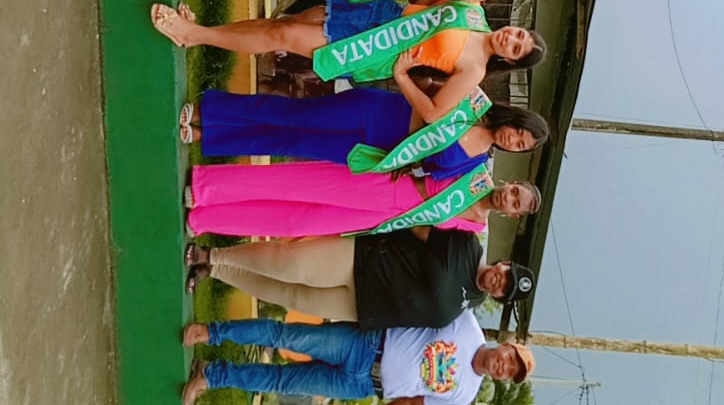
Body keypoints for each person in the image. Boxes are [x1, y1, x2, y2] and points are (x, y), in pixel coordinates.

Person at [181, 306, 537, 405]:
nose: (505, 367)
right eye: (511, 360)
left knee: (281, 382)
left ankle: (210, 375)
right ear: (506, 346)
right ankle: (211, 333)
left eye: (511, 373)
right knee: (285, 337)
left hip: (362, 385)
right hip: (366, 344)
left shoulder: (465, 394)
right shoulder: (465, 323)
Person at [150, 4, 547, 103]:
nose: (510, 39)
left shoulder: (475, 71)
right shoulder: (475, 13)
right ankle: (201, 34)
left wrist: (403, 76)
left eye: (516, 48)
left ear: (511, 60)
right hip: (380, 14)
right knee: (283, 24)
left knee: (284, 35)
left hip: (375, 49)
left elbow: (434, 112)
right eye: (519, 34)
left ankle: (192, 33)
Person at [182, 222, 536, 326]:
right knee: (291, 265)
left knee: (288, 295)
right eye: (506, 275)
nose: (500, 282)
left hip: (364, 308)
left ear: (499, 298)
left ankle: (216, 270)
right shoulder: (467, 244)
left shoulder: (471, 305)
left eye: (504, 290)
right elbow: (417, 227)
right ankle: (211, 253)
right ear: (504, 262)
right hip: (365, 260)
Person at [182, 77, 549, 165]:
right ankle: (210, 112)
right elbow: (427, 84)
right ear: (515, 119)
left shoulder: (474, 166)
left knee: (290, 143)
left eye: (520, 145)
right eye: (519, 132)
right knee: (291, 115)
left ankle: (209, 138)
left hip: (372, 150)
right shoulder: (475, 99)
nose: (513, 140)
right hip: (376, 111)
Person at [182, 162, 540, 241]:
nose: (508, 197)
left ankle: (205, 220)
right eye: (515, 191)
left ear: (512, 215)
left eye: (515, 203)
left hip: (382, 218)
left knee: (295, 223)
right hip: (386, 184)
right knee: (293, 184)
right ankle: (205, 187)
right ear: (511, 182)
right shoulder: (475, 170)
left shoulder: (475, 229)